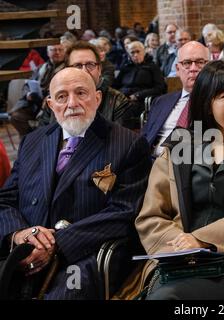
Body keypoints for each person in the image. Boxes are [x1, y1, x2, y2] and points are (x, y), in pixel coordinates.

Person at [0, 68, 151, 299]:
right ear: (50, 105)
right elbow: (6, 200)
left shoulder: (128, 144)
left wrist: (54, 244)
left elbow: (125, 211)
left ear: (97, 98)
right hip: (24, 248)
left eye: (81, 93)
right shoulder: (33, 141)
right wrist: (19, 234)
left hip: (84, 253)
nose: (72, 103)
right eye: (62, 96)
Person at [135, 60, 224, 300]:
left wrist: (202, 240)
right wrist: (182, 245)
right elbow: (151, 215)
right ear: (206, 104)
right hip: (176, 258)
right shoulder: (179, 147)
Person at [38, 41, 134, 129]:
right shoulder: (55, 101)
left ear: (99, 70)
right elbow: (42, 138)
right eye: (77, 66)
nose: (84, 71)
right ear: (67, 70)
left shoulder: (118, 101)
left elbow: (120, 142)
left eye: (90, 65)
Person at [141, 41, 209, 158]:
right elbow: (145, 137)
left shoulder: (216, 103)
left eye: (199, 62)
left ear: (209, 66)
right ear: (177, 69)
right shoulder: (161, 102)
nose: (193, 68)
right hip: (151, 164)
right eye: (187, 63)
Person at [10, 43, 65, 137]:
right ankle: (29, 139)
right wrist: (28, 94)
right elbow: (27, 84)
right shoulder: (41, 68)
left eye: (60, 50)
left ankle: (36, 139)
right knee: (16, 116)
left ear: (65, 52)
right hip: (35, 103)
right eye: (53, 50)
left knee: (46, 121)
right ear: (48, 52)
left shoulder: (67, 69)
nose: (57, 52)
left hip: (52, 104)